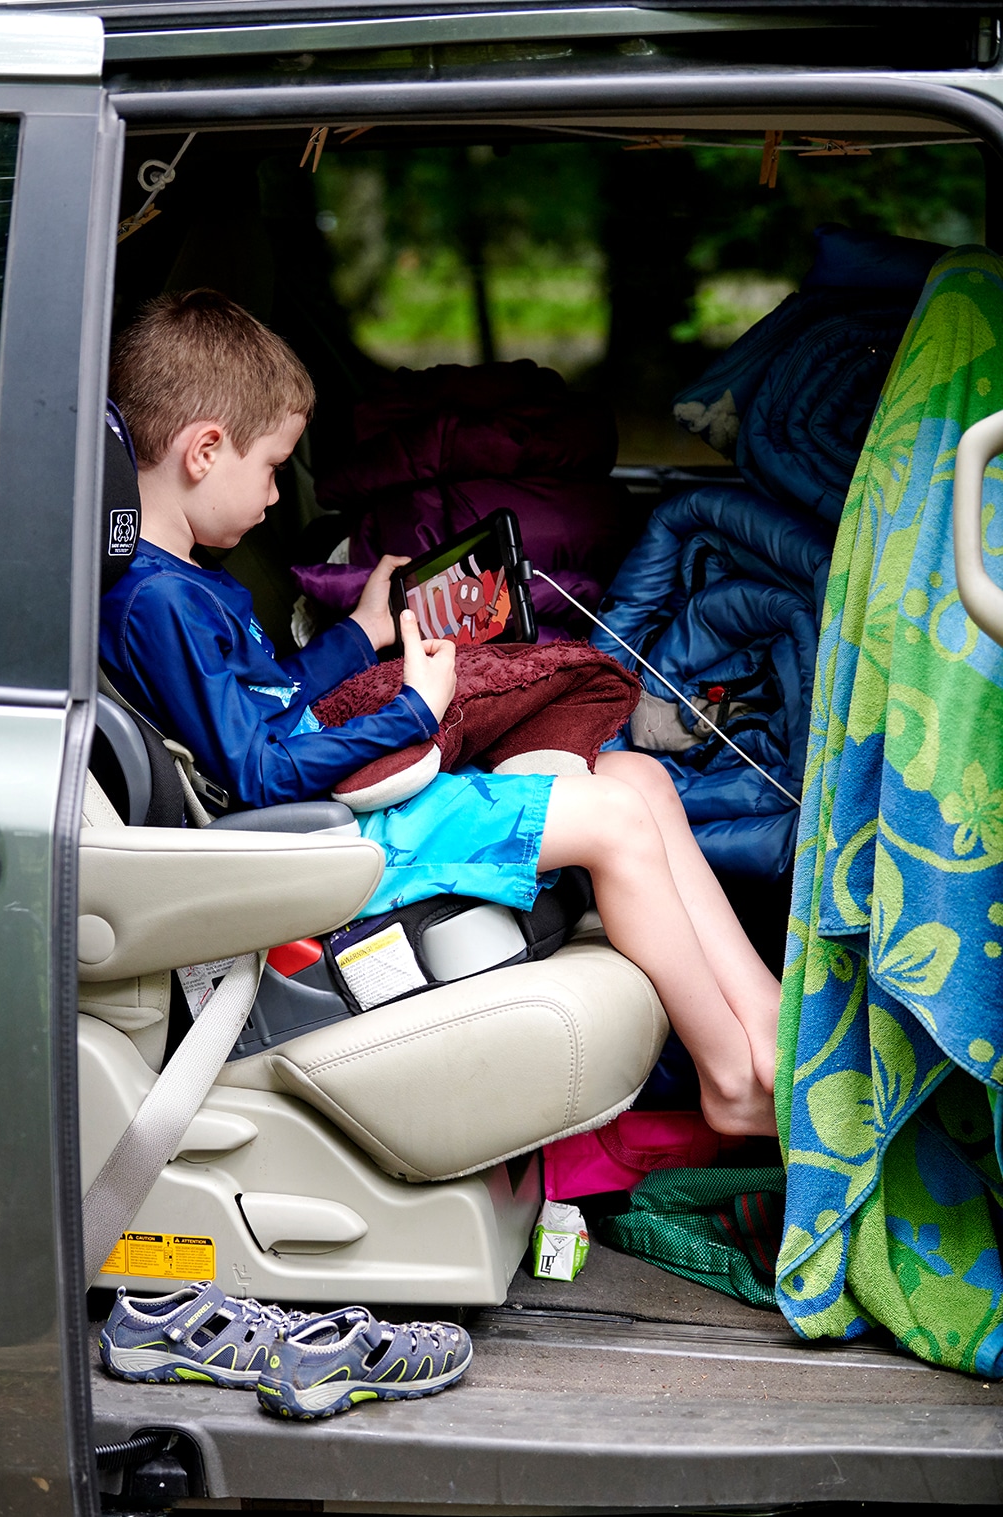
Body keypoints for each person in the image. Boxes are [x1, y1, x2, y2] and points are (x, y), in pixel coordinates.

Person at [101, 289, 780, 1137]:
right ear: (205, 450)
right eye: (274, 467)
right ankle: (731, 1080)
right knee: (613, 820)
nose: (278, 496)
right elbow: (257, 772)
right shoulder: (156, 601)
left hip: (332, 814)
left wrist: (363, 633)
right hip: (318, 847)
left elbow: (268, 700)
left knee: (637, 773)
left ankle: (769, 1026)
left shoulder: (183, 584)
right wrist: (416, 708)